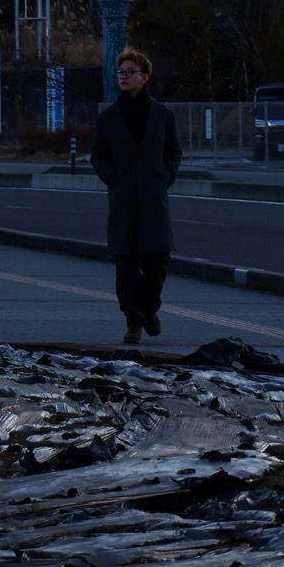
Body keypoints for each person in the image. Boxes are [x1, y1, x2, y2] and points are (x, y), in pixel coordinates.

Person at [90, 45, 182, 343]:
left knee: (157, 261)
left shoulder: (163, 116)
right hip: (123, 199)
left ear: (145, 77)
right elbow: (98, 155)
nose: (124, 77)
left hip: (154, 199)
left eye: (131, 72)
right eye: (121, 72)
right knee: (126, 264)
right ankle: (134, 322)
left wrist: (164, 177)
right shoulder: (108, 118)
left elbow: (174, 152)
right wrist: (113, 177)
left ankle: (148, 309)